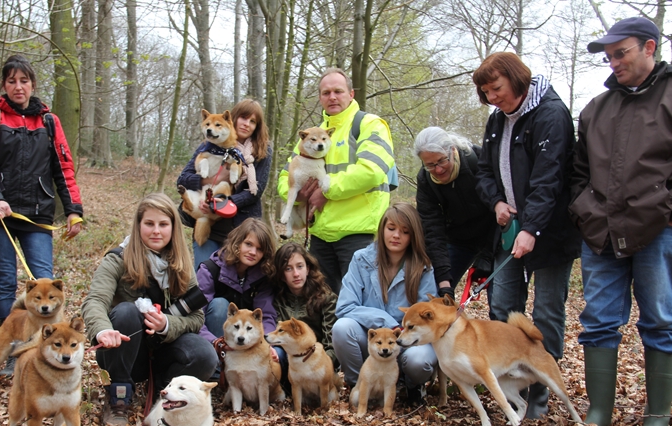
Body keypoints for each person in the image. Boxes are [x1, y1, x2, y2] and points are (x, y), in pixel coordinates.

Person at [570, 18, 672, 426]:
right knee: (598, 321)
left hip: (659, 228)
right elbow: (577, 172)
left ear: (649, 47)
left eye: (620, 53)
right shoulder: (596, 108)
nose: (613, 62)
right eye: (608, 57)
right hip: (600, 231)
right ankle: (599, 412)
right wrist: (584, 209)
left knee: (660, 319)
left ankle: (657, 414)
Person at [473, 52, 581, 419]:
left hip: (550, 234)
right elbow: (484, 171)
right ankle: (508, 394)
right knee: (503, 309)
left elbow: (549, 179)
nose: (492, 97)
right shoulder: (495, 121)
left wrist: (532, 228)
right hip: (508, 231)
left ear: (517, 79)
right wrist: (497, 203)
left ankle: (540, 396)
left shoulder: (550, 113)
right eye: (486, 92)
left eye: (497, 88)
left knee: (546, 315)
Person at [81, 193, 217, 426]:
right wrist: (103, 330)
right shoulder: (118, 259)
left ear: (173, 228)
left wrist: (166, 324)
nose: (156, 231)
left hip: (163, 349)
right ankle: (119, 397)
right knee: (125, 312)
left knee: (205, 356)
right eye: (149, 224)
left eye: (163, 224)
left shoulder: (182, 264)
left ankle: (164, 394)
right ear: (138, 226)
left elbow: (196, 317)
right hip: (122, 350)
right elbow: (95, 300)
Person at [0, 54, 83, 326]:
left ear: (32, 84)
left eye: (24, 81)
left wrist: (73, 210)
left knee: (45, 281)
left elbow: (64, 168)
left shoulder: (49, 122)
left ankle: (44, 344)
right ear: (4, 85)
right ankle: (11, 347)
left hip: (38, 214)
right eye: (12, 81)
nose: (18, 87)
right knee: (7, 280)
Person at [278, 67, 396, 294]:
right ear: (320, 97)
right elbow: (285, 177)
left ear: (351, 94)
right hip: (320, 236)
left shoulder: (369, 124)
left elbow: (372, 170)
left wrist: (326, 190)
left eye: (338, 91)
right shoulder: (313, 133)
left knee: (361, 304)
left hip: (359, 234)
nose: (332, 97)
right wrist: (300, 194)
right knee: (322, 305)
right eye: (326, 93)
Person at [332, 203, 438, 403]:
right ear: (382, 230)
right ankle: (363, 388)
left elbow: (428, 317)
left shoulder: (423, 268)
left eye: (405, 231)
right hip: (372, 342)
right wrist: (386, 321)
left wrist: (401, 332)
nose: (396, 235)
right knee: (342, 328)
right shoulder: (361, 259)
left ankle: (410, 387)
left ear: (413, 235)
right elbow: (345, 306)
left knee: (419, 361)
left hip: (407, 341)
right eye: (391, 229)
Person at [178, 99, 272, 267]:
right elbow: (183, 179)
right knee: (204, 276)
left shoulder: (262, 150)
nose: (247, 124)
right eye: (243, 118)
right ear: (233, 118)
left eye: (253, 121)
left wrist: (223, 204)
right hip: (210, 228)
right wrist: (211, 180)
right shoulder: (210, 144)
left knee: (234, 285)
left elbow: (255, 192)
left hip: (243, 231)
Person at [414, 126, 497, 299]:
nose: (438, 170)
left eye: (442, 161)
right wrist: (444, 281)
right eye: (430, 165)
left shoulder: (480, 161)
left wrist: (487, 256)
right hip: (458, 239)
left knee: (500, 301)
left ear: (452, 150)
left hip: (495, 235)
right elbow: (432, 230)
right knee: (434, 292)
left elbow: (501, 210)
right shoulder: (425, 181)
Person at [196, 218, 278, 367]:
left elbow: (266, 315)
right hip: (211, 341)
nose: (253, 252)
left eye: (259, 249)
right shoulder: (210, 270)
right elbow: (196, 316)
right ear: (237, 242)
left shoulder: (263, 277)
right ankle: (216, 370)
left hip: (246, 340)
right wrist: (214, 342)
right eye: (248, 244)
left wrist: (265, 343)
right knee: (220, 304)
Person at [272, 242, 339, 374]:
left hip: (317, 365)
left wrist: (317, 364)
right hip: (287, 363)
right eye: (288, 269)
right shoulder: (276, 299)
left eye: (300, 266)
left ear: (307, 269)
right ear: (281, 274)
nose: (296, 274)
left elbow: (332, 345)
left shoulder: (326, 298)